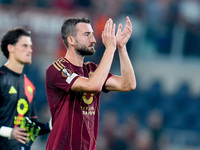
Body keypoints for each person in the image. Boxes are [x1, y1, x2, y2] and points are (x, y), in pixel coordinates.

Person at [45, 16, 136, 150]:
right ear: (71, 40)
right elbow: (92, 86)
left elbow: (128, 84)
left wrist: (121, 48)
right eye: (87, 35)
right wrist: (110, 49)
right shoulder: (57, 69)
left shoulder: (92, 70)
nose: (93, 39)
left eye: (92, 34)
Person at [0, 28, 51, 150]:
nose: (29, 50)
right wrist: (10, 132)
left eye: (30, 46)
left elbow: (32, 119)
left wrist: (50, 124)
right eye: (24, 46)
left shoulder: (32, 77)